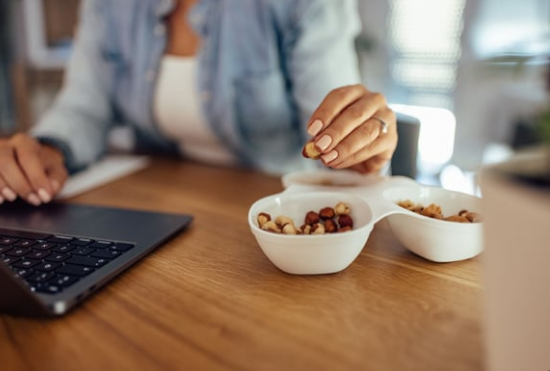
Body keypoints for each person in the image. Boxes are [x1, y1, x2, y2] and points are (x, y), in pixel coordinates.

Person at [0, 0, 397, 207]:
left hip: (274, 213)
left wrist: (357, 145)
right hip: (154, 213)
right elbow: (83, 107)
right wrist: (48, 148)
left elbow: (336, 122)